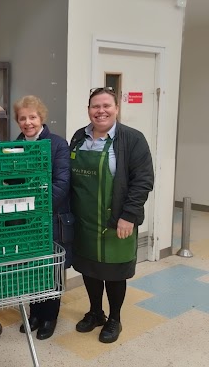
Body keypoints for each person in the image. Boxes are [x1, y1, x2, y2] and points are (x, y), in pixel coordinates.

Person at [70, 87, 154, 343]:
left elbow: (143, 180)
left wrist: (128, 215)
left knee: (115, 272)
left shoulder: (132, 139)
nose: (101, 111)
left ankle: (115, 318)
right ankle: (96, 312)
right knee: (89, 269)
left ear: (116, 109)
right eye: (95, 106)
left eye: (106, 105)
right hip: (84, 221)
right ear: (88, 110)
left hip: (117, 222)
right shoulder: (78, 137)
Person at [13, 95, 72, 340]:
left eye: (32, 117)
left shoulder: (57, 144)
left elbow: (61, 183)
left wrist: (36, 208)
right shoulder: (13, 145)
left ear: (42, 118)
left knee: (51, 269)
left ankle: (50, 316)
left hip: (51, 218)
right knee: (31, 267)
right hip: (26, 220)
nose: (28, 122)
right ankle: (34, 312)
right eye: (22, 118)